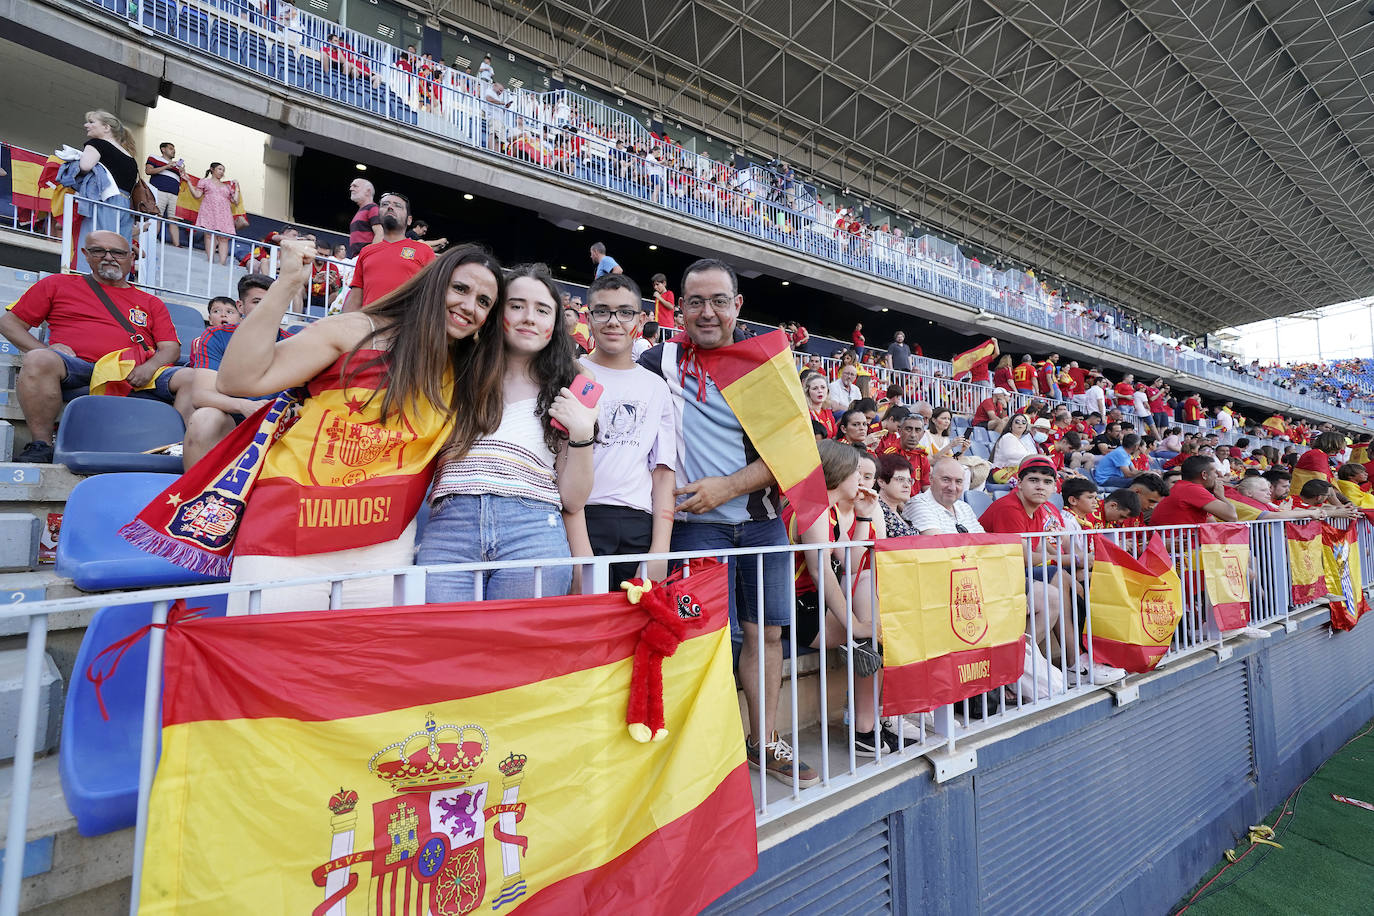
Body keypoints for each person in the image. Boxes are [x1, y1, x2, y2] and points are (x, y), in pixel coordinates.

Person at [211, 241, 505, 611]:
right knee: (263, 661)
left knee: (356, 667)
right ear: (433, 283)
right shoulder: (354, 330)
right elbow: (237, 381)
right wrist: (287, 284)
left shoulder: (468, 372)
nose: (469, 306)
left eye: (484, 302)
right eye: (460, 288)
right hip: (288, 529)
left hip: (381, 547)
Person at [638, 258, 820, 788]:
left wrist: (726, 487)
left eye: (719, 300)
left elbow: (794, 452)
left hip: (761, 525)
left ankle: (763, 742)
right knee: (700, 640)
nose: (707, 312)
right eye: (695, 301)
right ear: (679, 306)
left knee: (766, 636)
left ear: (738, 305)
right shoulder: (658, 361)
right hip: (693, 529)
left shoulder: (764, 364)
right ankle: (701, 748)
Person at [419, 263, 598, 602]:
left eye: (542, 310)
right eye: (516, 306)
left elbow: (573, 499)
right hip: (449, 530)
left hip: (533, 530)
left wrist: (582, 431)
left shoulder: (567, 392)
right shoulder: (453, 371)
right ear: (495, 311)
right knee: (445, 649)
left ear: (554, 323)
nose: (529, 317)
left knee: (520, 653)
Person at [2, 232, 184, 463]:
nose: (109, 257)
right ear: (86, 255)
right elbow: (9, 323)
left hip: (135, 371)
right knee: (38, 359)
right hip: (79, 366)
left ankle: (183, 450)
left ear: (130, 258)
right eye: (99, 251)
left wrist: (150, 367)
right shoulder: (56, 284)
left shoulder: (151, 302)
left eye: (117, 252)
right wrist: (45, 348)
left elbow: (170, 349)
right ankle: (41, 445)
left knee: (193, 378)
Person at [785, 441, 910, 755]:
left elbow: (850, 565)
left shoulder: (828, 509)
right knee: (876, 627)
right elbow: (821, 573)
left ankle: (873, 721)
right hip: (798, 610)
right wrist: (854, 625)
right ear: (838, 472)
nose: (861, 479)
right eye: (856, 472)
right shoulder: (811, 509)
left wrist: (866, 517)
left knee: (878, 613)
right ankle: (867, 726)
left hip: (817, 604)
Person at [577, 274, 676, 585]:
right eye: (602, 311)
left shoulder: (656, 386)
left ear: (641, 318)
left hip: (639, 524)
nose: (613, 322)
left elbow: (663, 471)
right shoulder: (570, 372)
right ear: (588, 316)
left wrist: (659, 550)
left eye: (625, 312)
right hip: (582, 517)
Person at [341, 192, 435, 311]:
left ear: (409, 220)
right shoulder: (366, 251)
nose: (390, 207)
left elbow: (433, 296)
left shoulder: (424, 250)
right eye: (385, 204)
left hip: (404, 325)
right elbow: (355, 298)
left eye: (397, 205)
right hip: (370, 323)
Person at [75, 110, 139, 269]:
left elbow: (85, 165)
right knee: (118, 250)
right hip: (125, 205)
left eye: (91, 122)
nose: (86, 125)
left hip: (104, 201)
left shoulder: (97, 144)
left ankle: (86, 282)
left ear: (106, 127)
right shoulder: (131, 158)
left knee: (94, 245)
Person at [1149, 456, 1238, 525]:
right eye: (1215, 472)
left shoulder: (1182, 487)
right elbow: (1232, 516)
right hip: (1178, 546)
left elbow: (1211, 523)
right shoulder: (1191, 489)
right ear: (1204, 475)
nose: (1217, 476)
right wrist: (1221, 496)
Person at [905, 456, 983, 535]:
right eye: (946, 480)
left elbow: (984, 542)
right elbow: (939, 544)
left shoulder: (965, 508)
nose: (952, 488)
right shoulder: (918, 504)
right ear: (931, 479)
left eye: (958, 481)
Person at [188, 163, 240, 265]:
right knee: (209, 235)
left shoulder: (227, 186)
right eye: (219, 169)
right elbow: (197, 195)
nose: (222, 172)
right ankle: (210, 261)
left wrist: (237, 187)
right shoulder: (204, 181)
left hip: (224, 213)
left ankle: (222, 263)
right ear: (212, 169)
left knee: (224, 238)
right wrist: (189, 182)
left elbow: (236, 201)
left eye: (223, 170)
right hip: (209, 210)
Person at [144, 140, 186, 247]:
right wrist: (166, 166)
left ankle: (177, 244)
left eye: (174, 149)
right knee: (157, 216)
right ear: (163, 149)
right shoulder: (154, 157)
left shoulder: (177, 165)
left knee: (173, 219)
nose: (174, 151)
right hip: (159, 190)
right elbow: (148, 171)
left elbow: (182, 180)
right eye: (171, 148)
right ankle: (151, 241)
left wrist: (182, 172)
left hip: (175, 194)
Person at [878, 413, 932, 493]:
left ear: (923, 434)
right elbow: (885, 487)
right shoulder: (889, 455)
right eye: (908, 429)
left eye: (917, 430)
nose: (913, 435)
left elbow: (926, 485)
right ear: (899, 431)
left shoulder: (922, 456)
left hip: (915, 502)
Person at [876, 453, 917, 537]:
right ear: (881, 482)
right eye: (900, 479)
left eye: (909, 480)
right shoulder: (875, 508)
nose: (907, 485)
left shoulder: (900, 511)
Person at [990, 413, 1037, 479]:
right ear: (1010, 426)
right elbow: (1012, 456)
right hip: (1001, 472)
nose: (1020, 424)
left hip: (1013, 470)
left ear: (1025, 427)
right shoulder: (1008, 437)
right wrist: (1034, 458)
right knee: (1031, 479)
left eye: (1023, 422)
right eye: (1017, 422)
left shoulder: (1019, 440)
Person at [345, 177, 382, 257]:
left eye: (355, 186)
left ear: (368, 191)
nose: (351, 189)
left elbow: (380, 233)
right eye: (351, 186)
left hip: (365, 258)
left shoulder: (373, 208)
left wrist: (368, 255)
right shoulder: (363, 210)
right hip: (359, 258)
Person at [805, 372, 838, 439]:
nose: (820, 391)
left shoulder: (828, 412)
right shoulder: (806, 413)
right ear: (808, 392)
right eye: (815, 388)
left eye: (823, 387)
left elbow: (835, 436)